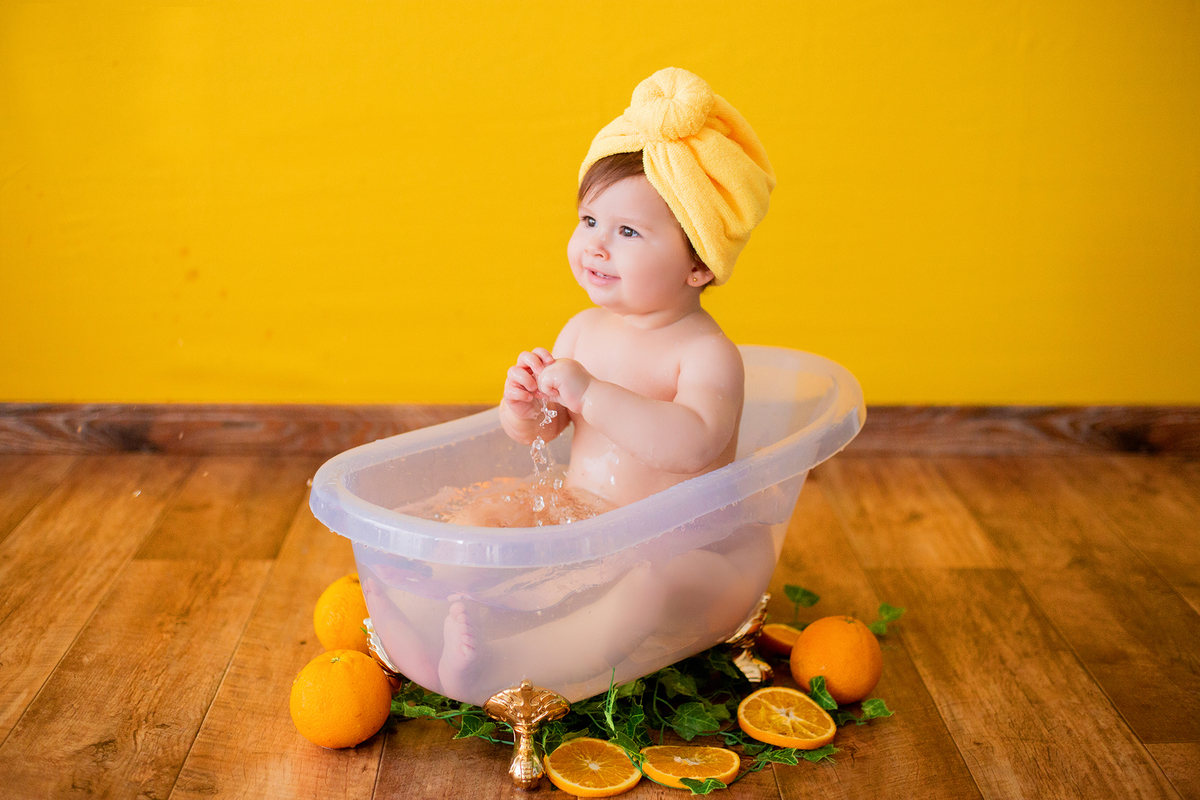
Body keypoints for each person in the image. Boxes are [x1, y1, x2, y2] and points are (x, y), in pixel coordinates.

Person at [393, 67, 778, 702]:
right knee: (480, 517)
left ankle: (513, 667)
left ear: (698, 265)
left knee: (642, 591)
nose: (596, 246)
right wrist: (523, 409)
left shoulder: (707, 356)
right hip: (583, 511)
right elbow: (546, 432)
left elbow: (693, 444)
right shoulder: (582, 331)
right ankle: (431, 614)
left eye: (627, 233)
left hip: (674, 543)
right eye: (590, 219)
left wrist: (592, 394)